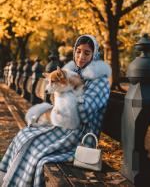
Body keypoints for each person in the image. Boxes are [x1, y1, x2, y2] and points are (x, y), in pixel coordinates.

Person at [0, 34, 111, 187]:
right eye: (78, 51)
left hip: (81, 136)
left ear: (95, 55)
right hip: (65, 126)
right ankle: (10, 180)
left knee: (35, 148)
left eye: (87, 53)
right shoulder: (76, 74)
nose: (81, 56)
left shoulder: (100, 81)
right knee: (24, 135)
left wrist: (63, 92)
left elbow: (83, 113)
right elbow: (58, 103)